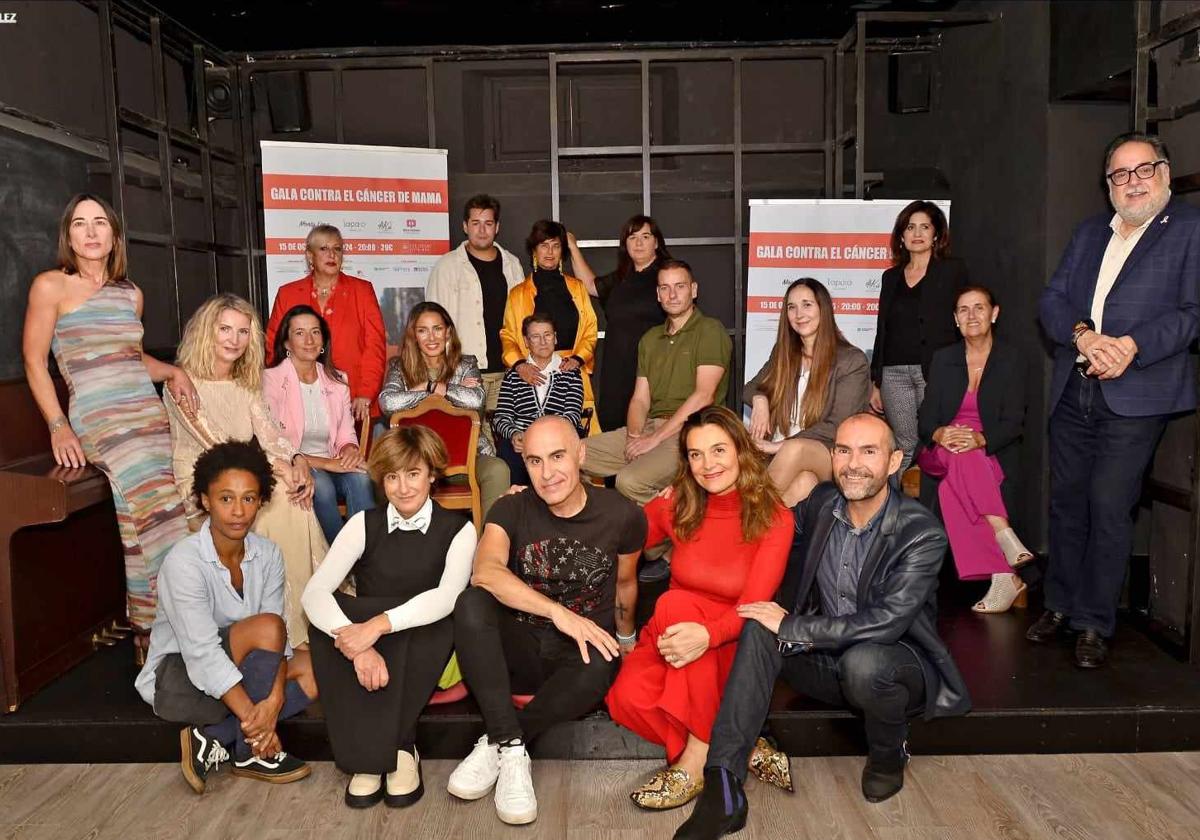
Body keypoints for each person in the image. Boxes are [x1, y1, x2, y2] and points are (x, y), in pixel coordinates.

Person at [673, 414, 970, 840]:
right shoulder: (821, 504)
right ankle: (723, 786)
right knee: (760, 624)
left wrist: (795, 627)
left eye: (869, 451)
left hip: (895, 665)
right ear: (832, 458)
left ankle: (889, 755)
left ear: (893, 461)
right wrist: (697, 494)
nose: (854, 463)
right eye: (844, 451)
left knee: (863, 663)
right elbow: (762, 519)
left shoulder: (921, 532)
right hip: (824, 662)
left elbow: (886, 622)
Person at [1036, 131, 1200, 669]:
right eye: (1119, 175)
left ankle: (1093, 622)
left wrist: (1132, 346)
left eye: (1142, 170)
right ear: (1107, 185)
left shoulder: (1189, 230)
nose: (1132, 182)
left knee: (1109, 506)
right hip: (1075, 386)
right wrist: (1084, 336)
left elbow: (1192, 313)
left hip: (1137, 393)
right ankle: (1059, 605)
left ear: (1165, 174)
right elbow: (1053, 301)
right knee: (1066, 504)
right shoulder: (1089, 234)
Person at [448, 415, 646, 826]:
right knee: (471, 604)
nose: (547, 472)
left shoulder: (623, 515)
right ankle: (513, 746)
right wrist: (559, 614)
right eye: (535, 461)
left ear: (581, 454)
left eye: (557, 457)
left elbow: (626, 583)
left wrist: (626, 637)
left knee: (603, 661)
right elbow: (485, 571)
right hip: (519, 646)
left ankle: (502, 741)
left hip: (576, 660)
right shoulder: (510, 506)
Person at [22, 193, 194, 652]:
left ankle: (155, 627)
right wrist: (59, 425)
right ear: (69, 235)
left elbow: (131, 359)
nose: (92, 232)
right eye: (80, 223)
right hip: (98, 420)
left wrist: (173, 371)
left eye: (100, 222)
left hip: (146, 412)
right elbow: (35, 362)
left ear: (114, 233)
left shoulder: (130, 293)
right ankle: (167, 630)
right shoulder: (50, 287)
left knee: (164, 514)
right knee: (151, 509)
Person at [606, 406, 791, 811]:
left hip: (732, 643)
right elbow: (621, 530)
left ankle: (696, 758)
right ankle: (735, 743)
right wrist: (548, 503)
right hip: (677, 642)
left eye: (719, 450)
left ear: (741, 450)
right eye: (696, 454)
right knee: (624, 700)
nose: (708, 465)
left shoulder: (774, 517)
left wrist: (707, 634)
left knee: (675, 602)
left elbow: (754, 607)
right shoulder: (679, 503)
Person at [302, 426, 477, 809]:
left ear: (432, 474)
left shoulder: (460, 529)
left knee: (435, 617)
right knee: (326, 620)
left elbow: (446, 597)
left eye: (413, 474)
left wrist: (377, 626)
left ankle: (389, 750)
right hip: (371, 642)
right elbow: (313, 593)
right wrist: (356, 645)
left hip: (424, 637)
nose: (403, 487)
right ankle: (392, 749)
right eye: (392, 477)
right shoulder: (363, 524)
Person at [134, 440, 318, 795]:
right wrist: (257, 717)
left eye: (248, 498)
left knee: (319, 667)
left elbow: (276, 645)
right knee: (267, 626)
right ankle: (252, 749)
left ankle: (214, 739)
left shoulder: (267, 555)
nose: (238, 511)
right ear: (205, 500)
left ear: (261, 501)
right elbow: (203, 654)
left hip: (239, 677)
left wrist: (275, 700)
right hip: (179, 679)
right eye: (226, 498)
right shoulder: (184, 561)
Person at [164, 294, 328, 648]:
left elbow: (270, 434)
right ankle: (274, 624)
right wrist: (276, 468)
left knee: (292, 495)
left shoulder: (245, 383)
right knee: (273, 499)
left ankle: (302, 618)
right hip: (202, 479)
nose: (233, 340)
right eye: (224, 329)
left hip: (244, 472)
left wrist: (297, 461)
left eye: (242, 332)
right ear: (207, 332)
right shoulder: (181, 382)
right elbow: (217, 443)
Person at [916, 285, 1033, 613]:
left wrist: (980, 439)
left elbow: (1015, 420)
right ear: (955, 319)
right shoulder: (943, 359)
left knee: (957, 480)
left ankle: (1002, 578)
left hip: (989, 447)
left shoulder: (1012, 359)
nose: (971, 316)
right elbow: (925, 417)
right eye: (963, 310)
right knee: (960, 456)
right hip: (942, 448)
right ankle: (1004, 536)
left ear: (994, 314)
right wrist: (941, 433)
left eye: (979, 308)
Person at [582, 259, 732, 508]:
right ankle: (592, 532)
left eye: (680, 286)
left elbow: (704, 396)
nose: (672, 294)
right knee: (570, 454)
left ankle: (671, 538)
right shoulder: (650, 339)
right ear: (658, 295)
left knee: (629, 482)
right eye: (665, 288)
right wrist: (634, 436)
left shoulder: (709, 330)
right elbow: (640, 399)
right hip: (651, 427)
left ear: (693, 290)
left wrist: (654, 440)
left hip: (691, 431)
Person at [377, 302, 511, 520]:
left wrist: (430, 387)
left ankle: (490, 544)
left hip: (468, 456)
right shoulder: (399, 367)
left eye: (437, 329)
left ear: (448, 332)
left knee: (498, 469)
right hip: (417, 462)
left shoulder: (466, 364)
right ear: (414, 336)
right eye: (423, 330)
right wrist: (452, 392)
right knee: (387, 472)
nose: (431, 338)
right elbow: (388, 403)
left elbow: (476, 399)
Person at [745, 278, 871, 507]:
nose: (798, 314)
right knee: (805, 483)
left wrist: (779, 446)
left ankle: (741, 517)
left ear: (823, 308)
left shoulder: (852, 361)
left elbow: (837, 426)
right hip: (783, 456)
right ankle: (772, 540)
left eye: (807, 305)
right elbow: (750, 388)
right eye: (791, 307)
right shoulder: (785, 353)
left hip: (828, 453)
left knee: (796, 448)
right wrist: (760, 399)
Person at [869, 201, 969, 470]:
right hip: (894, 374)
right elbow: (883, 328)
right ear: (901, 236)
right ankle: (901, 511)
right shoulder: (890, 277)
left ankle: (932, 508)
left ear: (936, 234)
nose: (917, 233)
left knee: (934, 440)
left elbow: (965, 319)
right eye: (910, 227)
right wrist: (876, 380)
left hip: (936, 371)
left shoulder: (952, 271)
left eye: (925, 227)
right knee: (905, 445)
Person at [263, 305, 375, 544]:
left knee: (361, 477)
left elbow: (346, 433)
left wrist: (349, 450)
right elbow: (274, 440)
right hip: (292, 462)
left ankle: (367, 556)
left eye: (315, 332)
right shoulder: (270, 380)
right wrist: (327, 464)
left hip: (332, 461)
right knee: (321, 487)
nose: (309, 340)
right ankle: (339, 560)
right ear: (286, 343)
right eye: (300, 333)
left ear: (323, 340)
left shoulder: (337, 380)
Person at [264, 224, 387, 423]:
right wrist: (281, 390)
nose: (332, 254)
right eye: (323, 249)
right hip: (298, 399)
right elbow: (273, 346)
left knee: (351, 454)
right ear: (310, 256)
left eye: (337, 249)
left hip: (354, 402)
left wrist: (366, 393)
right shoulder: (288, 293)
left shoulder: (362, 291)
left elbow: (375, 347)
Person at [566, 214, 672, 433]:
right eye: (633, 237)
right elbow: (591, 286)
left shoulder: (667, 276)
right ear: (625, 244)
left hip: (652, 370)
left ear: (657, 242)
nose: (639, 243)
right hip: (616, 370)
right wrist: (572, 247)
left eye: (645, 236)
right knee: (613, 428)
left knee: (647, 433)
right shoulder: (622, 277)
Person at [426, 194, 525, 412]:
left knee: (508, 438)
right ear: (465, 226)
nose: (482, 230)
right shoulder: (447, 266)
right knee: (471, 439)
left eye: (488, 223)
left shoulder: (512, 264)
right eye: (475, 223)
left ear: (497, 227)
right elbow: (434, 323)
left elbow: (524, 318)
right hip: (464, 374)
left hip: (508, 371)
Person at [500, 219, 599, 427]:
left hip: (571, 373)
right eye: (544, 245)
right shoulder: (517, 294)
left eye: (555, 245)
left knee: (579, 440)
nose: (550, 251)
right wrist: (520, 366)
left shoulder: (578, 288)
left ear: (562, 250)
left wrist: (578, 359)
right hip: (531, 374)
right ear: (534, 250)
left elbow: (590, 328)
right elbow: (508, 335)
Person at [491, 312, 585, 486]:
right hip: (521, 441)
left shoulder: (571, 372)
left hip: (559, 438)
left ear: (555, 338)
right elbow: (502, 417)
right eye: (535, 336)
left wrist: (543, 437)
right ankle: (519, 507)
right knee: (508, 452)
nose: (543, 341)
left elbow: (572, 414)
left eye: (547, 335)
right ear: (526, 342)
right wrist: (515, 434)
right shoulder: (513, 375)